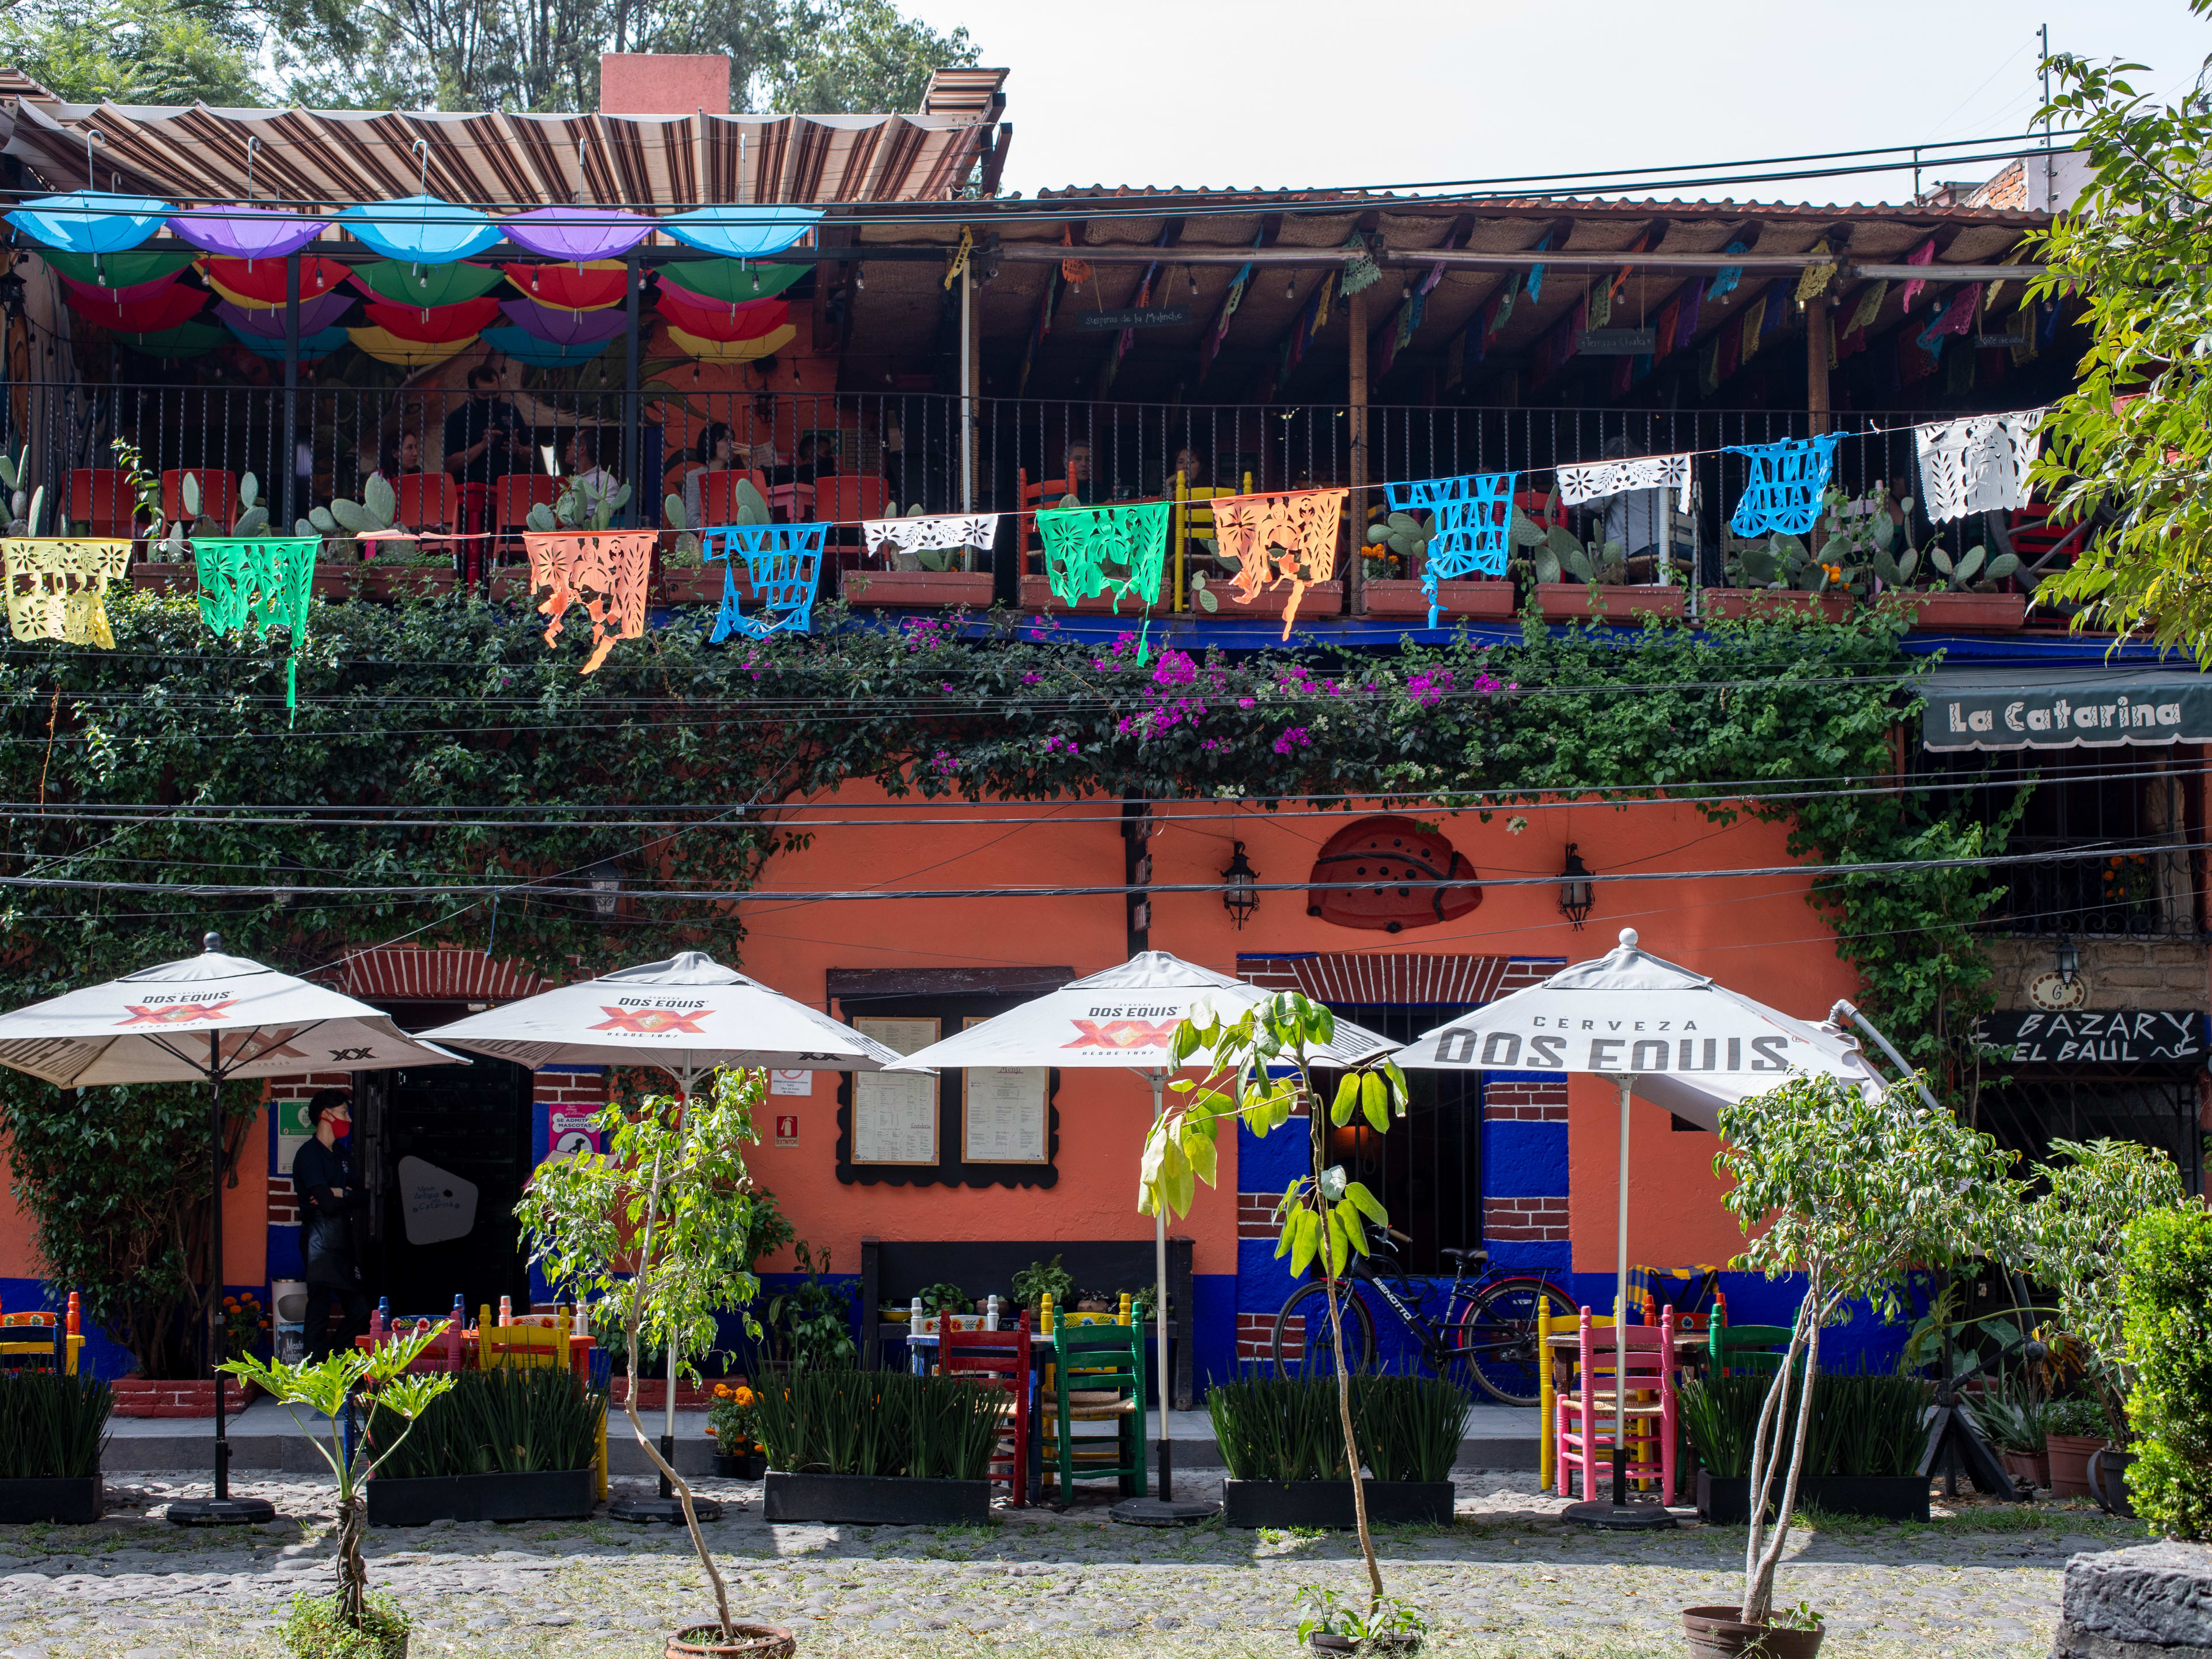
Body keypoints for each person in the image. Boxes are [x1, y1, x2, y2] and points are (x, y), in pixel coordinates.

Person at [292, 1090, 369, 1363]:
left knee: (360, 1310)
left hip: (344, 1238)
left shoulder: (343, 1154)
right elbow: (324, 1203)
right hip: (318, 1239)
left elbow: (363, 1197)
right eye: (344, 1113)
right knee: (319, 1308)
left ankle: (330, 1362)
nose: (348, 1119)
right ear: (326, 1115)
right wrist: (338, 1195)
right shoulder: (308, 1155)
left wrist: (340, 1194)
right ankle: (313, 1373)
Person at [442, 365, 521, 487]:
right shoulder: (458, 417)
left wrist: (519, 449)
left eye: (495, 393)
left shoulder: (510, 411)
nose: (492, 398)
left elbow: (531, 454)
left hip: (509, 489)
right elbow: (449, 465)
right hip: (473, 493)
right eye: (485, 395)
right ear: (472, 394)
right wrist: (482, 446)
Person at [682, 422, 736, 527]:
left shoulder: (736, 475)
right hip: (711, 538)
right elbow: (691, 518)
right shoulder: (695, 477)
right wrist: (719, 531)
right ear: (709, 444)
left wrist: (750, 467)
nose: (733, 445)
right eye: (726, 440)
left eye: (733, 440)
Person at [565, 429, 620, 522]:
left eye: (571, 443)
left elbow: (604, 513)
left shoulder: (606, 480)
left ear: (582, 448)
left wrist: (581, 529)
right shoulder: (572, 480)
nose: (567, 447)